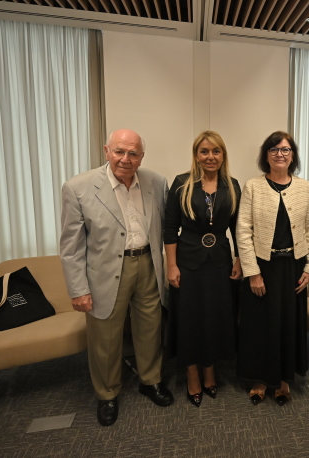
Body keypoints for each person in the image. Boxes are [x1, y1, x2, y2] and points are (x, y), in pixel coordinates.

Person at [60, 129, 173, 427]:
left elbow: (167, 228)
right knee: (105, 335)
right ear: (106, 151)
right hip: (106, 271)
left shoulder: (156, 182)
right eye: (119, 151)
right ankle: (107, 393)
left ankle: (151, 380)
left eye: (133, 153)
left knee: (150, 327)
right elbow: (71, 247)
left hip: (148, 263)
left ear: (141, 157)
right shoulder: (78, 187)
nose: (126, 159)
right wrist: (78, 289)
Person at [236, 131, 309, 406]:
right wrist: (253, 272)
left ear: (292, 155)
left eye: (285, 150)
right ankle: (261, 378)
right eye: (274, 150)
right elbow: (243, 231)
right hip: (263, 267)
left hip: (294, 267)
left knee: (287, 324)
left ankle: (283, 379)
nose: (279, 154)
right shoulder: (253, 186)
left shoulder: (304, 187)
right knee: (261, 326)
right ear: (266, 155)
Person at [164, 131, 242, 408]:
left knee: (215, 317)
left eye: (216, 151)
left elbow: (237, 227)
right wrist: (171, 265)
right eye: (204, 151)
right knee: (190, 318)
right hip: (188, 263)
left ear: (223, 155)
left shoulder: (231, 185)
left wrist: (239, 259)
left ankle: (210, 369)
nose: (211, 157)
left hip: (220, 262)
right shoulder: (182, 183)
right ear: (196, 155)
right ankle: (192, 373)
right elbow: (170, 228)